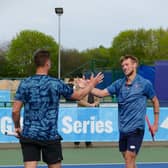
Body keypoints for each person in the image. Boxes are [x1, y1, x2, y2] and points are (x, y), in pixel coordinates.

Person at [12, 49, 103, 168]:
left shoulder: (25, 83)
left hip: (29, 134)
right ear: (47, 63)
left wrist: (17, 127)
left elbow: (15, 110)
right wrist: (92, 84)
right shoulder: (56, 83)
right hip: (50, 136)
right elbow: (79, 95)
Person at [84, 55, 159, 168]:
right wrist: (88, 86)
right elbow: (101, 93)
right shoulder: (119, 84)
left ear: (135, 65)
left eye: (127, 64)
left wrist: (155, 123)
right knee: (129, 159)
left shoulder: (145, 84)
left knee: (129, 158)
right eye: (123, 65)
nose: (124, 67)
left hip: (136, 129)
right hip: (123, 129)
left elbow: (155, 101)